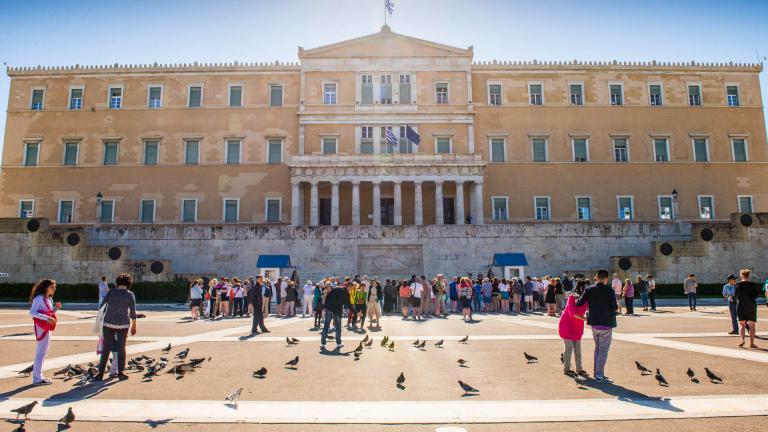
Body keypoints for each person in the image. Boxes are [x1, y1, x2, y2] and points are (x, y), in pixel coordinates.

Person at [576, 269, 618, 382]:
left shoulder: (589, 289)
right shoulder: (609, 290)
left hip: (594, 322)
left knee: (598, 348)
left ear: (597, 277)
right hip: (606, 322)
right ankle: (599, 374)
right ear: (606, 278)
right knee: (603, 350)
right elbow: (614, 307)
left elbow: (579, 302)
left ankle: (598, 372)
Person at [95, 273, 137, 382]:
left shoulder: (111, 292)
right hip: (123, 324)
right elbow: (133, 312)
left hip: (109, 322)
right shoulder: (130, 294)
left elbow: (102, 306)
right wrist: (134, 326)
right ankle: (121, 373)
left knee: (106, 347)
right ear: (129, 284)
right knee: (121, 347)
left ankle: (100, 373)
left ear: (117, 282)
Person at [29, 279, 61, 385]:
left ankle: (38, 376)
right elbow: (32, 312)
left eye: (55, 287)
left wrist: (56, 309)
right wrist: (46, 318)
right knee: (40, 353)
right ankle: (37, 378)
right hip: (41, 327)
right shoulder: (39, 298)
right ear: (46, 287)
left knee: (43, 353)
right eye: (52, 287)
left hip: (47, 327)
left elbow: (50, 312)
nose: (54, 289)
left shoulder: (48, 299)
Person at [559, 280, 588, 377]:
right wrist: (584, 318)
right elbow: (571, 313)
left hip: (577, 326)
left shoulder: (585, 299)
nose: (587, 290)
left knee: (578, 350)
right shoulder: (572, 297)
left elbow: (589, 308)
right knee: (569, 348)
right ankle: (567, 369)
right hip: (567, 325)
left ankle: (579, 369)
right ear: (581, 288)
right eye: (586, 288)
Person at [321, 281, 351, 350]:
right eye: (327, 286)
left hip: (329, 310)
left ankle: (322, 343)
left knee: (326, 326)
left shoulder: (328, 292)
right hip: (335, 311)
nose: (328, 287)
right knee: (337, 327)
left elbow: (325, 302)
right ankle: (338, 343)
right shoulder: (335, 292)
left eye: (329, 286)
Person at [736, 269, 760, 348]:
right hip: (751, 306)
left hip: (741, 306)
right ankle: (751, 343)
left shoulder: (738, 285)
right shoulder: (753, 284)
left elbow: (736, 296)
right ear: (748, 276)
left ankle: (742, 340)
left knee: (742, 325)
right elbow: (756, 295)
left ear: (741, 275)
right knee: (752, 326)